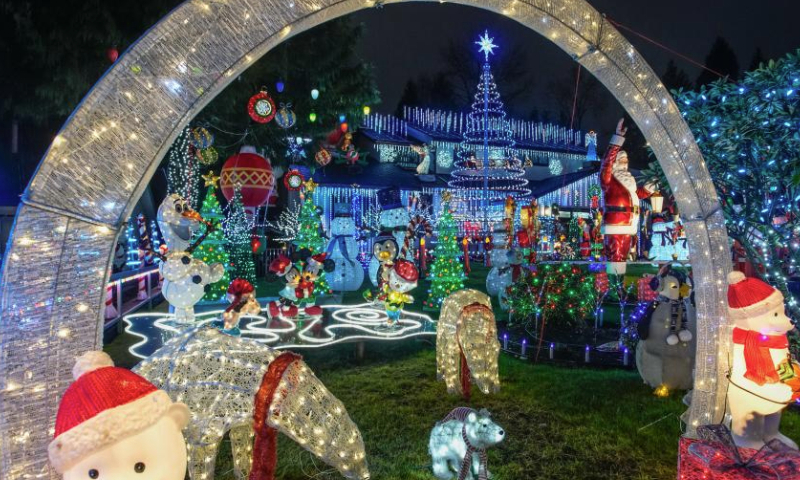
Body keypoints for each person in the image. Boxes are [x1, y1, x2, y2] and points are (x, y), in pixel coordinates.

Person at [600, 118, 656, 274]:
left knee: (622, 257)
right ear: (616, 163)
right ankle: (615, 289)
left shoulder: (629, 180)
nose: (625, 164)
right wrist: (617, 140)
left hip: (629, 224)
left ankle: (619, 287)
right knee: (616, 257)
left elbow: (636, 196)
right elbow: (606, 163)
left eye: (626, 161)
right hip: (616, 225)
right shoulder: (608, 179)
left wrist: (650, 186)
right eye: (621, 160)